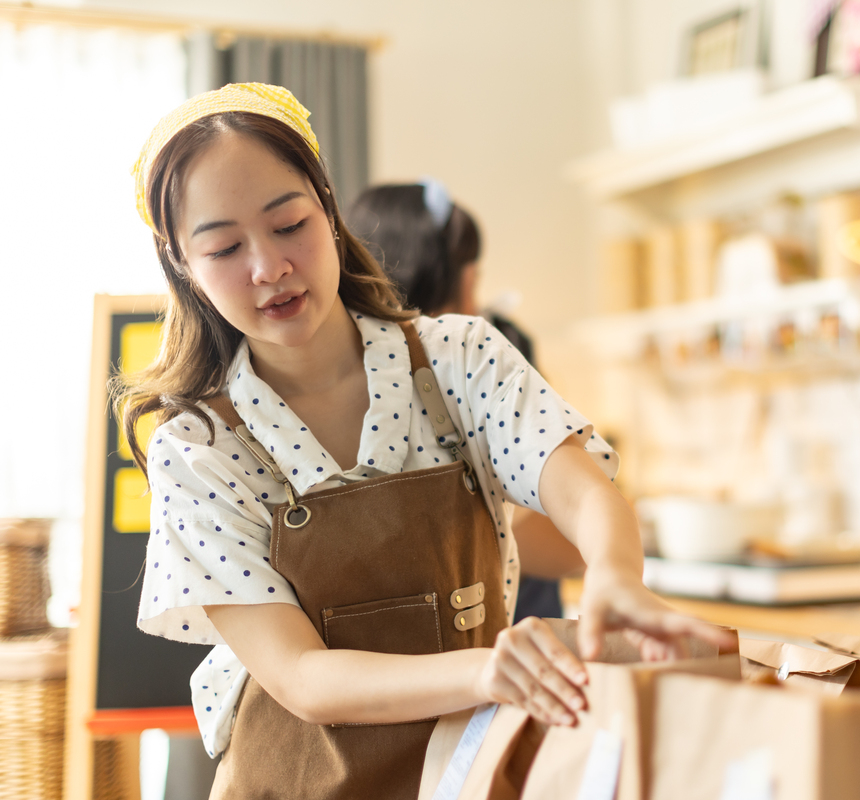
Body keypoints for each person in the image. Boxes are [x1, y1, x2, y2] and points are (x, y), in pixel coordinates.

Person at [118, 83, 729, 799]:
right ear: (182, 266)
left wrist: (616, 573)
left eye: (289, 225)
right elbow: (304, 678)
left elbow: (576, 484)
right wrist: (486, 671)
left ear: (327, 205)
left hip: (471, 771)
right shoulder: (197, 447)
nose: (268, 267)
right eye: (223, 246)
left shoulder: (459, 358)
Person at [346, 181, 578, 622]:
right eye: (473, 276)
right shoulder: (480, 354)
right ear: (458, 280)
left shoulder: (339, 377)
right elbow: (565, 538)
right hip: (502, 630)